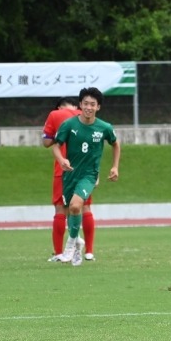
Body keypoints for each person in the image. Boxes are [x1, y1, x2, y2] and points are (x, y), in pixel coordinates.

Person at [52, 87, 121, 266]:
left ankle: (70, 245)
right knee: (71, 211)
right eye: (86, 104)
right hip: (69, 174)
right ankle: (78, 243)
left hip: (89, 175)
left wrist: (114, 167)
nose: (89, 107)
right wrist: (61, 160)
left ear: (98, 107)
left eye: (93, 104)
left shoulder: (104, 127)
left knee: (76, 206)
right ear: (80, 105)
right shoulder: (69, 125)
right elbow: (55, 146)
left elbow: (115, 144)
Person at [42, 97, 96, 262]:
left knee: (60, 210)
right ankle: (89, 251)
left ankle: (59, 253)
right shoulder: (85, 115)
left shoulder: (55, 114)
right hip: (84, 170)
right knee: (85, 208)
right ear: (78, 105)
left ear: (59, 106)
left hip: (63, 169)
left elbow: (46, 142)